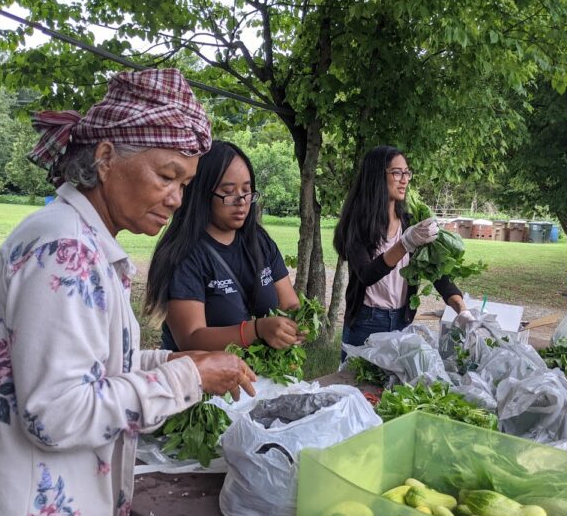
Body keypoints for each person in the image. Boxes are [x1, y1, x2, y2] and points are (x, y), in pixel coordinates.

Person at [0, 68, 256, 516]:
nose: (175, 198)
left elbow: (90, 366)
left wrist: (172, 358)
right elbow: (57, 413)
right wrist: (186, 378)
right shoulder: (66, 250)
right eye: (166, 176)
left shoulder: (78, 239)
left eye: (185, 184)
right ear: (105, 159)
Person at [145, 140, 304, 352]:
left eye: (247, 191)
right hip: (202, 380)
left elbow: (289, 304)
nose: (241, 202)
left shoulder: (260, 241)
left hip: (262, 379)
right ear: (202, 194)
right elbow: (191, 339)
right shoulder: (184, 255)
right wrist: (256, 330)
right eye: (229, 192)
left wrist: (299, 323)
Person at [333, 145, 469, 361]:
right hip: (367, 322)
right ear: (377, 176)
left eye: (406, 172)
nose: (404, 179)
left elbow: (436, 272)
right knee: (358, 388)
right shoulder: (357, 224)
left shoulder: (409, 222)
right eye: (396, 172)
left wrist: (461, 308)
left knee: (393, 390)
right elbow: (367, 274)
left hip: (402, 319)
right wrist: (405, 243)